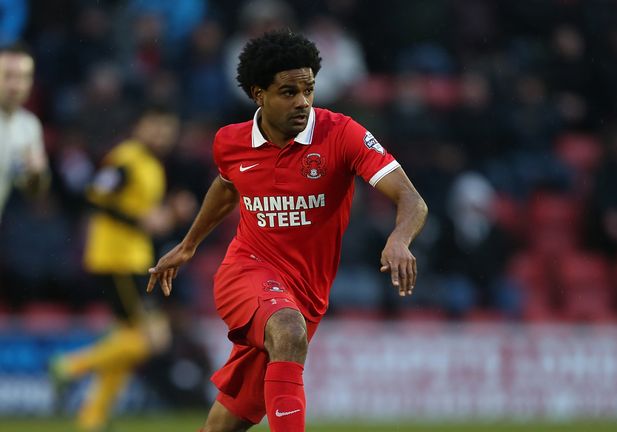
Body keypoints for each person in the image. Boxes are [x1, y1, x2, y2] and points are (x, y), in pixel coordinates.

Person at [146, 30, 428, 432]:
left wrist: (399, 238)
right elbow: (227, 187)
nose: (303, 102)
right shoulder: (230, 142)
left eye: (309, 89)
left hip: (307, 291)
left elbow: (412, 199)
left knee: (226, 423)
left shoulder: (341, 134)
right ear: (259, 94)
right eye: (289, 92)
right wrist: (189, 245)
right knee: (288, 330)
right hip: (246, 272)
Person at [50, 106, 188, 432]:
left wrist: (169, 212)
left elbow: (142, 216)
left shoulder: (150, 164)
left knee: (128, 340)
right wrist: (140, 220)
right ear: (139, 126)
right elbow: (95, 197)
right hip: (119, 260)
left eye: (167, 129)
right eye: (155, 127)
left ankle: (92, 417)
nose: (161, 135)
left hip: (133, 258)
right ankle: (70, 366)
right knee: (152, 341)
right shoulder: (127, 158)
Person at [0, 42, 49, 222]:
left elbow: (33, 192)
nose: (15, 85)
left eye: (23, 77)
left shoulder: (29, 126)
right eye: (8, 75)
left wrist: (36, 175)